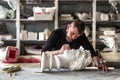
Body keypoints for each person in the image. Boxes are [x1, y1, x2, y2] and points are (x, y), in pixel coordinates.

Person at [42, 19, 108, 72]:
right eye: (72, 33)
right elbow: (44, 52)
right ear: (68, 27)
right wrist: (60, 51)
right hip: (56, 67)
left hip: (71, 67)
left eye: (76, 36)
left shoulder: (81, 37)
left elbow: (91, 50)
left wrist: (98, 64)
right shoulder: (56, 34)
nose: (73, 37)